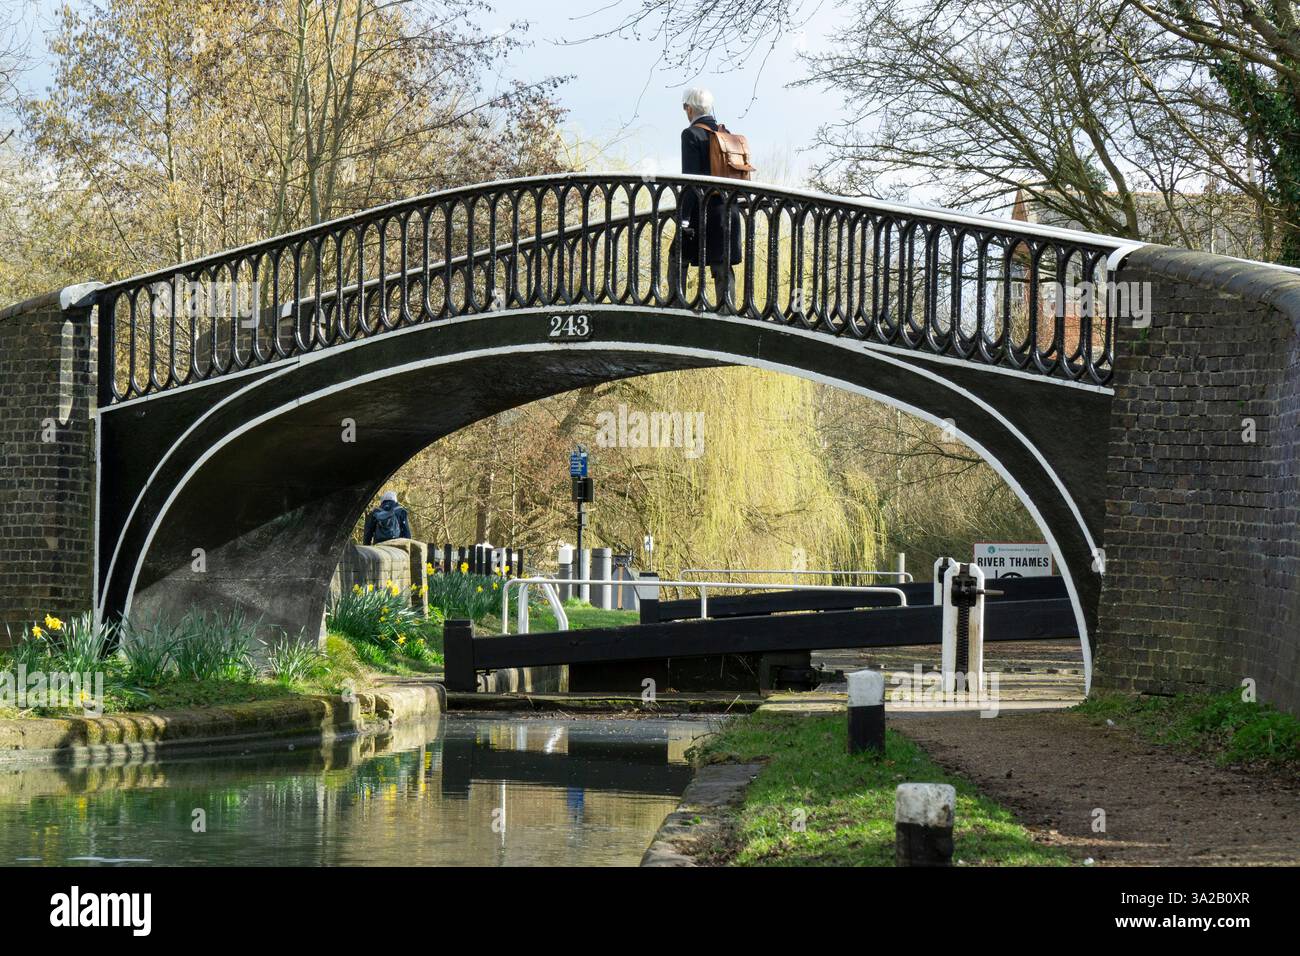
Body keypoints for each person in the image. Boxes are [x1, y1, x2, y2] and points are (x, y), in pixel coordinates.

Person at [669, 87, 743, 307]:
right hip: (728, 211)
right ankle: (727, 312)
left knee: (677, 256)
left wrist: (683, 218)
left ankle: (676, 308)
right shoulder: (726, 134)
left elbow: (691, 181)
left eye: (684, 108)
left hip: (703, 212)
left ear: (689, 108)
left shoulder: (691, 134)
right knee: (722, 263)